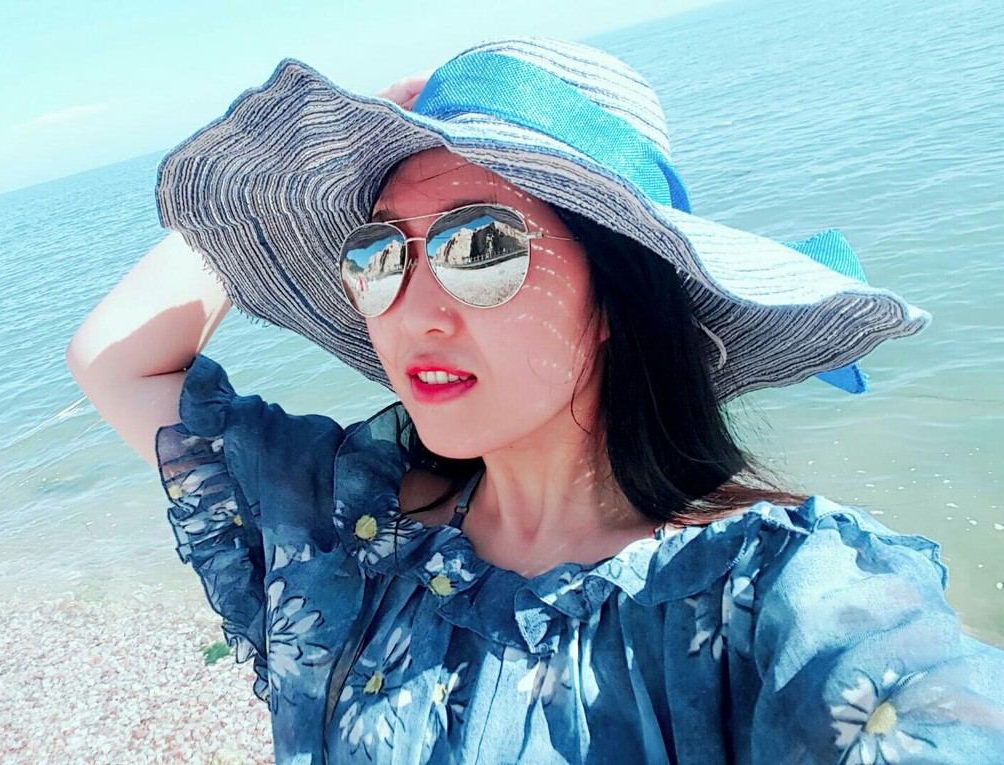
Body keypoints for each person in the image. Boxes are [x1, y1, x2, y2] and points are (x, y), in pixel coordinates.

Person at [67, 38, 1004, 764]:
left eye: (480, 246)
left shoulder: (763, 594)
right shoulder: (346, 528)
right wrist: (333, 152)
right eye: (380, 254)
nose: (413, 312)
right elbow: (115, 359)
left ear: (617, 296)